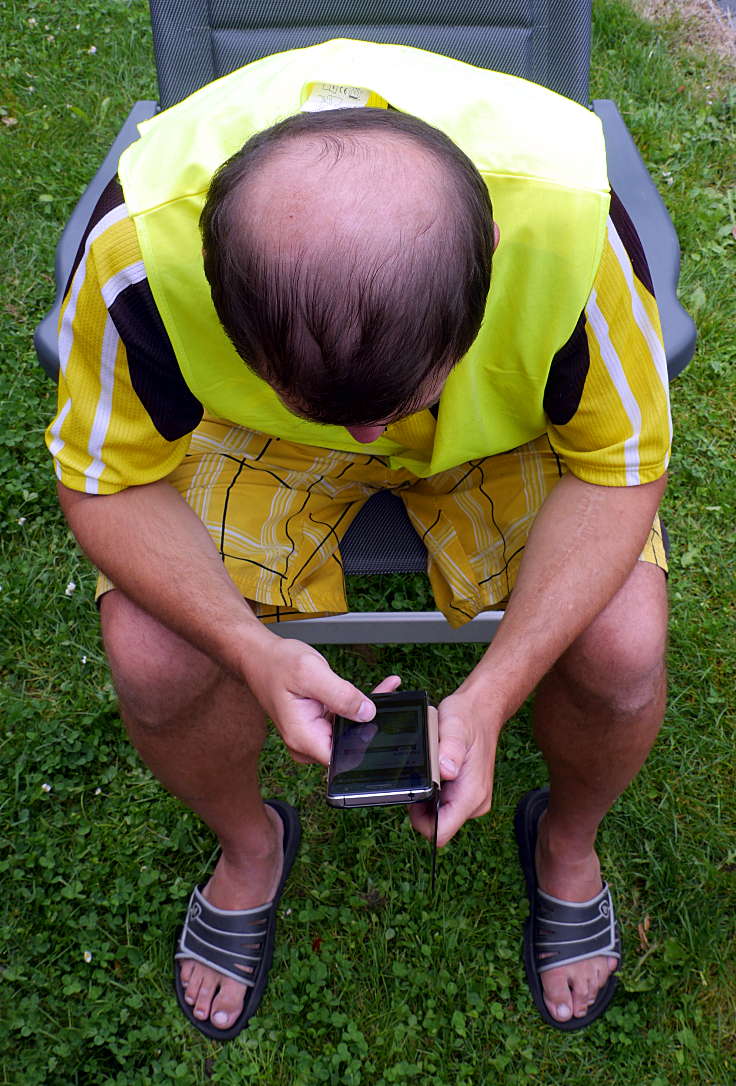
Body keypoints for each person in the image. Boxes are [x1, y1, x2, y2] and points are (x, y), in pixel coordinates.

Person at [46, 39, 671, 1040]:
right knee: (153, 654)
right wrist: (247, 650)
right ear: (215, 288)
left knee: (625, 646)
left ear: (490, 273)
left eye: (398, 401)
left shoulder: (569, 232)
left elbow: (617, 465)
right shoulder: (139, 254)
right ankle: (250, 847)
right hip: (250, 429)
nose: (370, 443)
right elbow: (106, 479)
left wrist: (494, 690)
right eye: (334, 408)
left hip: (501, 423)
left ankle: (567, 842)